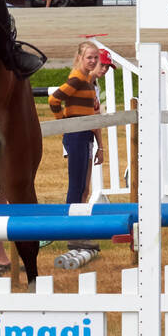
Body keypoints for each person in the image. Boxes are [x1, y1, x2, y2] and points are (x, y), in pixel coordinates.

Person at [48, 42, 106, 255]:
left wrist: (100, 145)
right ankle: (72, 234)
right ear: (80, 57)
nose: (92, 61)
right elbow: (54, 99)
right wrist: (63, 122)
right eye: (89, 57)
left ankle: (79, 233)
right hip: (77, 135)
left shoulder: (89, 80)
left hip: (85, 135)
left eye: (95, 58)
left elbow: (93, 112)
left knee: (82, 187)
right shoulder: (78, 78)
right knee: (76, 186)